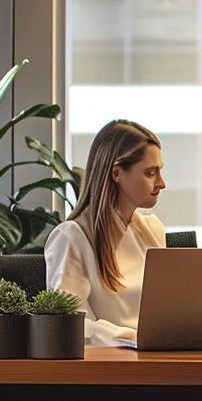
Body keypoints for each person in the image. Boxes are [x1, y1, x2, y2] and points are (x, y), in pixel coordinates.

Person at [44, 119, 167, 345]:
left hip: (154, 355)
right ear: (117, 173)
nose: (161, 183)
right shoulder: (71, 237)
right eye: (150, 173)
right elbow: (70, 325)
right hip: (110, 361)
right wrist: (129, 337)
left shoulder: (152, 230)